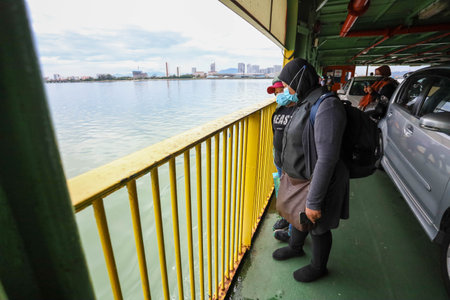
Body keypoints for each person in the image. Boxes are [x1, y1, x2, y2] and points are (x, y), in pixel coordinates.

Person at [272, 58, 349, 283]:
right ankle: (295, 247)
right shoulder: (304, 100)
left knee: (318, 226)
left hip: (317, 180)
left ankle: (318, 267)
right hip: (300, 178)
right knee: (298, 216)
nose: (287, 90)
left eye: (288, 85)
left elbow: (327, 157)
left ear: (301, 79)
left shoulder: (327, 106)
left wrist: (314, 200)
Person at [268, 78, 294, 242]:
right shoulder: (278, 110)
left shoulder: (299, 110)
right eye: (276, 93)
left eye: (281, 90)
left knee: (293, 194)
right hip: (279, 159)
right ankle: (285, 218)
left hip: (292, 162)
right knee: (282, 192)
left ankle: (293, 233)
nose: (278, 95)